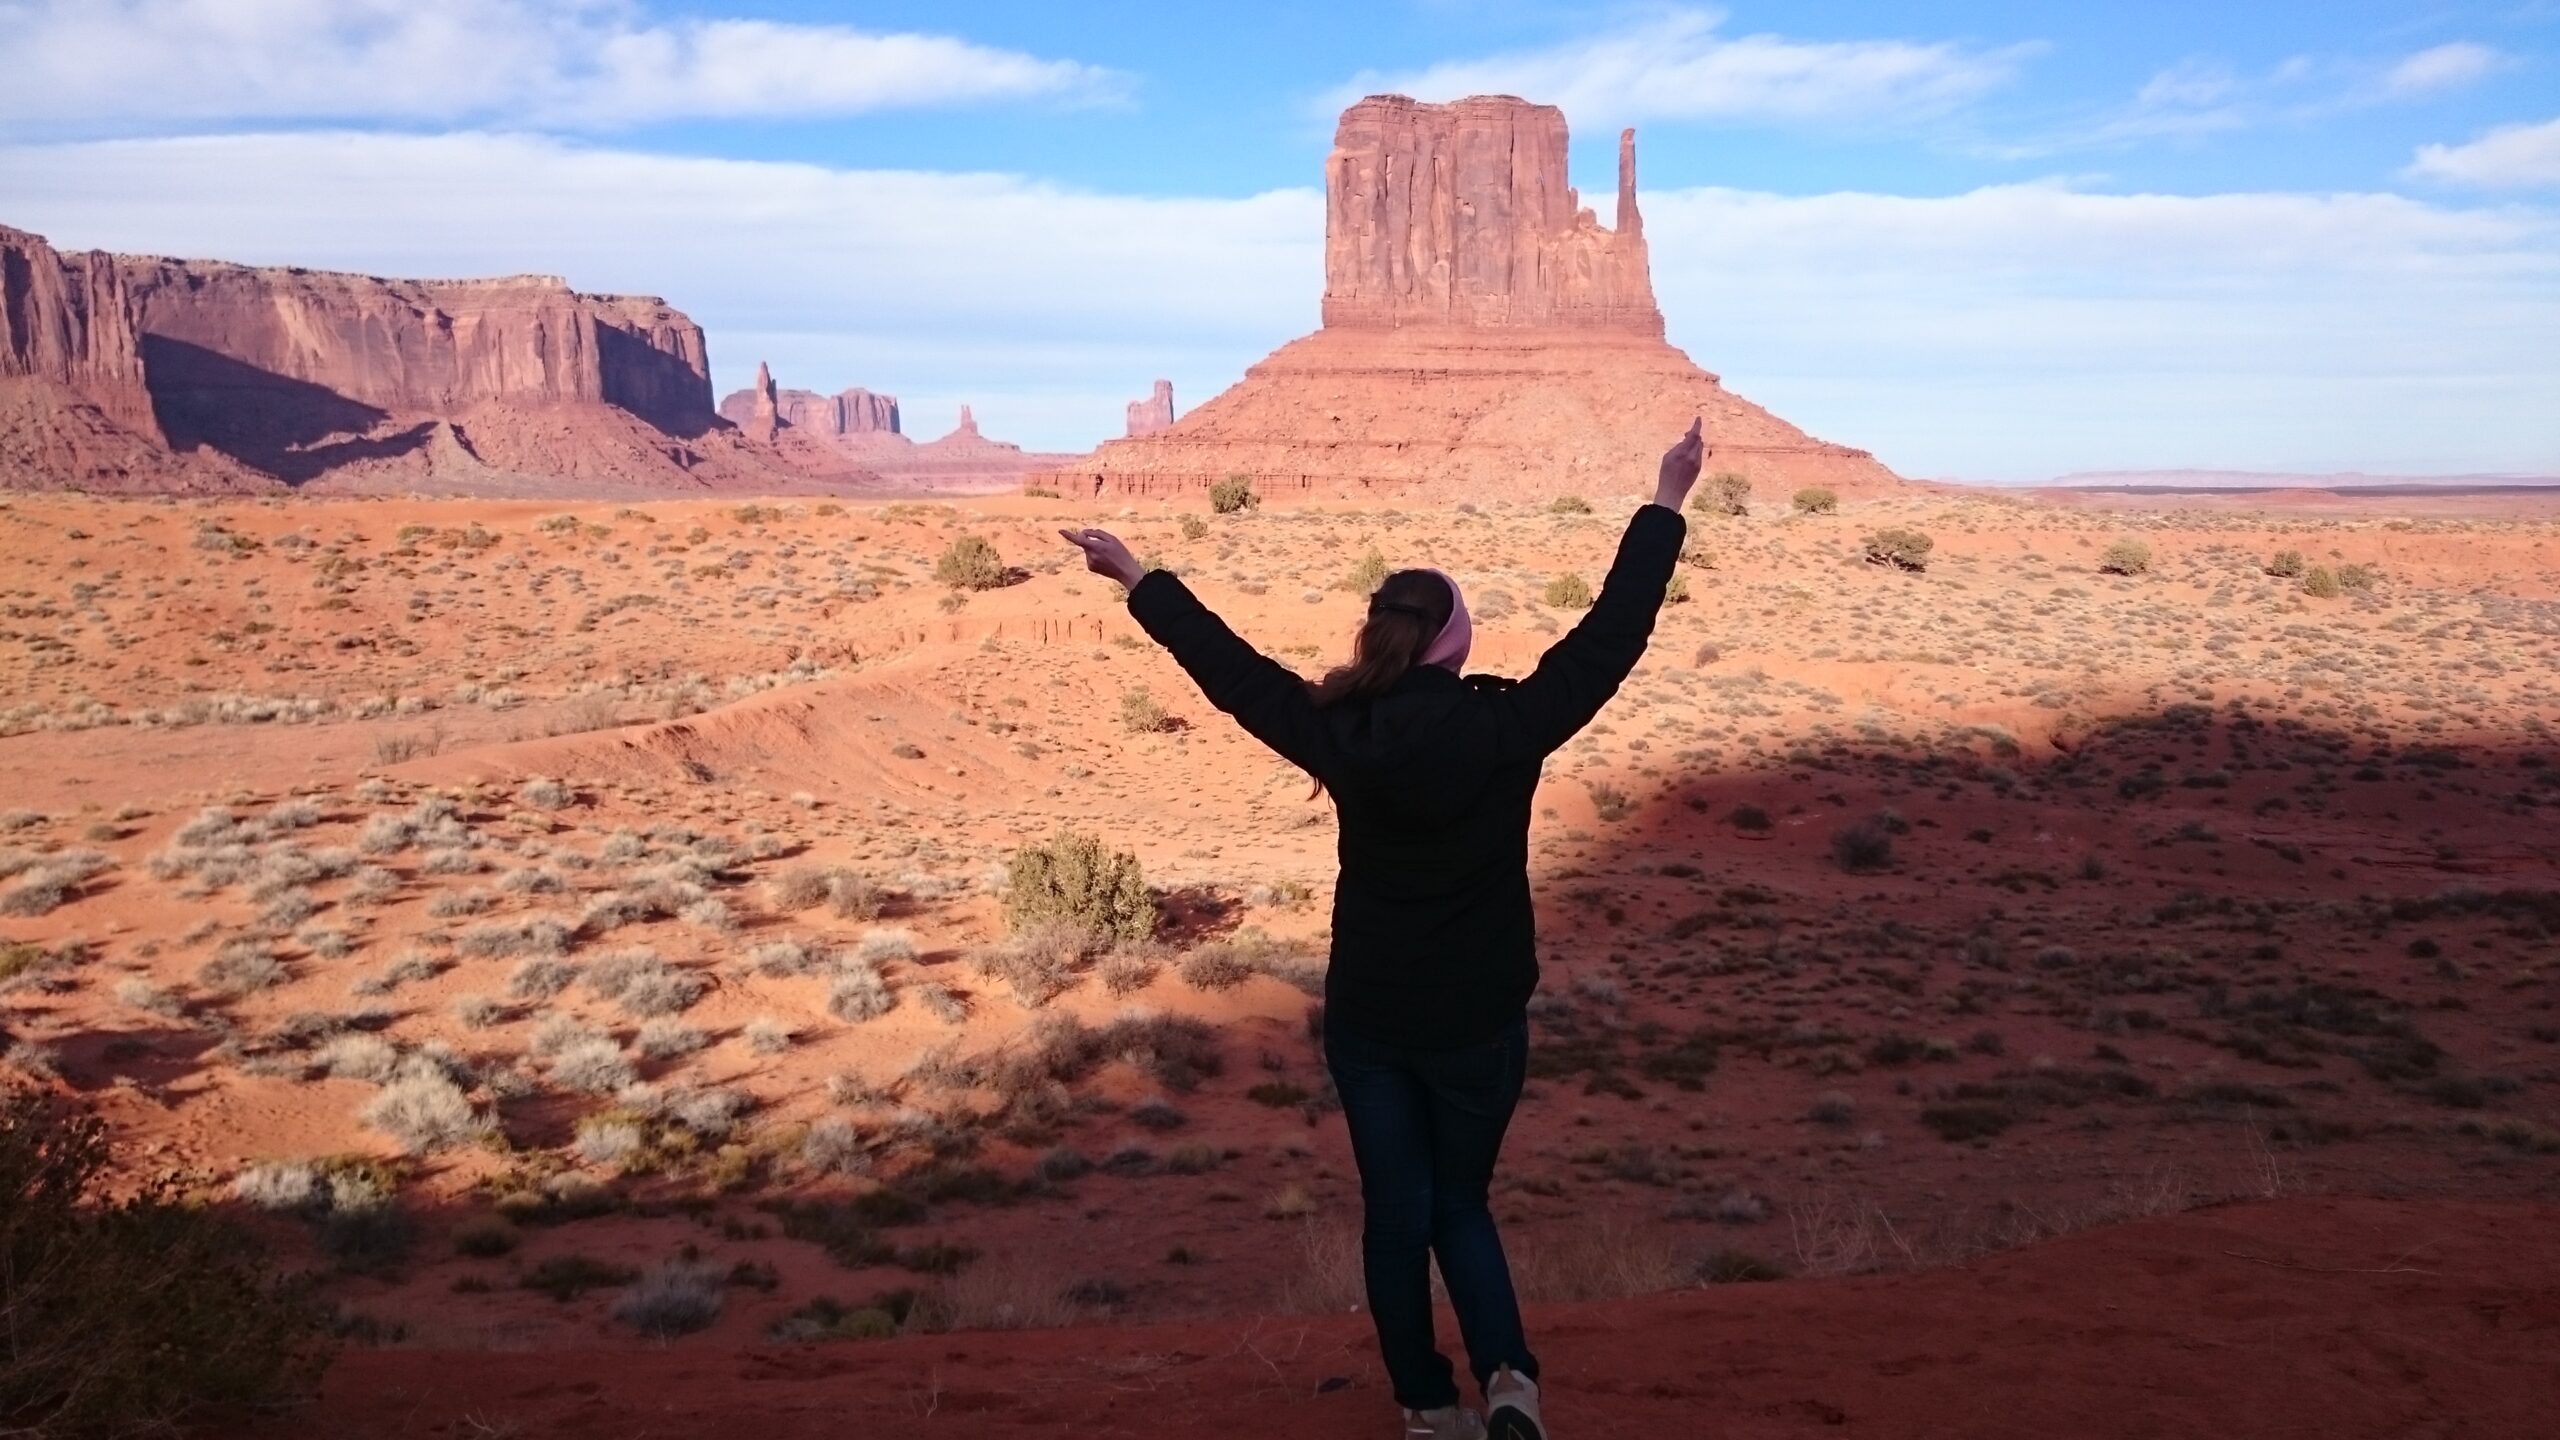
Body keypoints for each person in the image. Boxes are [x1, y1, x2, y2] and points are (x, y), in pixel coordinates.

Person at [1060, 421, 1707, 1440]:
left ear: (1379, 637)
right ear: (1454, 643)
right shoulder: (1507, 726)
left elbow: (1229, 670)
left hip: (1370, 1020)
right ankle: (1508, 1383)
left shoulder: (1336, 730)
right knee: (1463, 1205)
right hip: (1478, 1019)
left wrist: (1135, 576)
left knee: (1396, 1216)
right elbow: (1609, 638)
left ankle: (1424, 1405)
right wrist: (1666, 498)